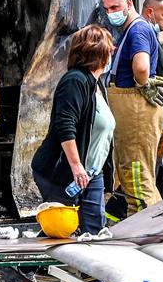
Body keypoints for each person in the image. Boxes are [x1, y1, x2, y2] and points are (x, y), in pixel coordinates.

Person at [31, 25, 115, 235]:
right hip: (66, 172)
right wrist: (76, 166)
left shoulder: (96, 84)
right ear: (99, 53)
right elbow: (65, 125)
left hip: (92, 173)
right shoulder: (75, 81)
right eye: (109, 50)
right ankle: (27, 268)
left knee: (94, 230)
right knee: (60, 228)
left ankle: (90, 269)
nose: (112, 54)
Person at [100, 0, 163, 214]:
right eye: (107, 9)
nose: (111, 13)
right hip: (128, 108)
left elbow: (141, 66)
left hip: (136, 108)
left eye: (115, 7)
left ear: (129, 4)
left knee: (137, 173)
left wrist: (143, 82)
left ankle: (150, 229)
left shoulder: (137, 29)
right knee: (129, 171)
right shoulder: (133, 29)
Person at [140, 0, 163, 201]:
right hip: (152, 112)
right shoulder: (141, 34)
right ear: (150, 12)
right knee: (153, 167)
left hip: (162, 110)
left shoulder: (151, 35)